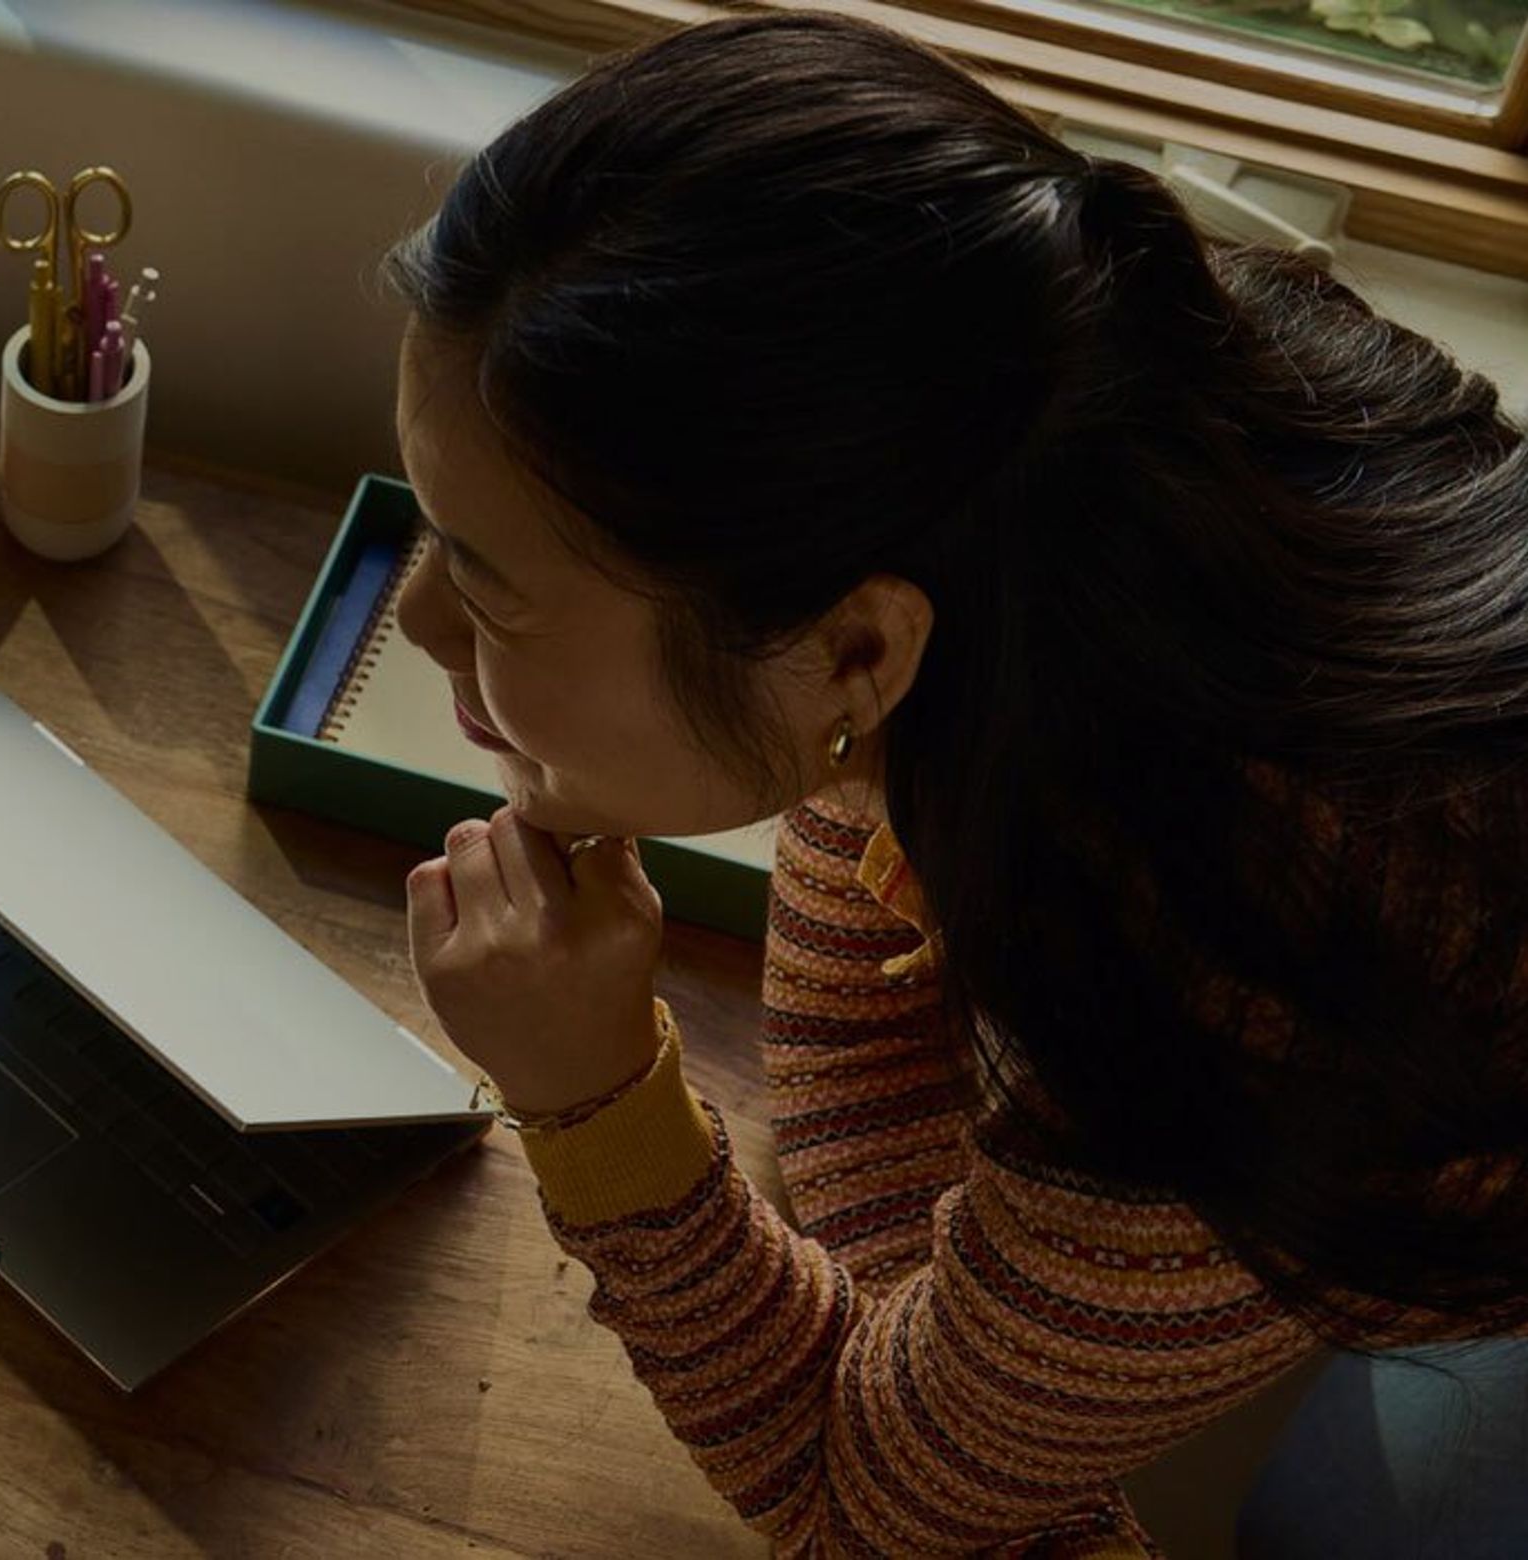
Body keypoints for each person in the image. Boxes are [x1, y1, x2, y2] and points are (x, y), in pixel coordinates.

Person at [382, 14, 1528, 1555]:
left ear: (856, 652)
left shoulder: (1204, 1043)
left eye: (485, 579)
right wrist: (928, 1365)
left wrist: (594, 1099)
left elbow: (856, 1514)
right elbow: (849, 846)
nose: (416, 619)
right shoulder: (1048, 446)